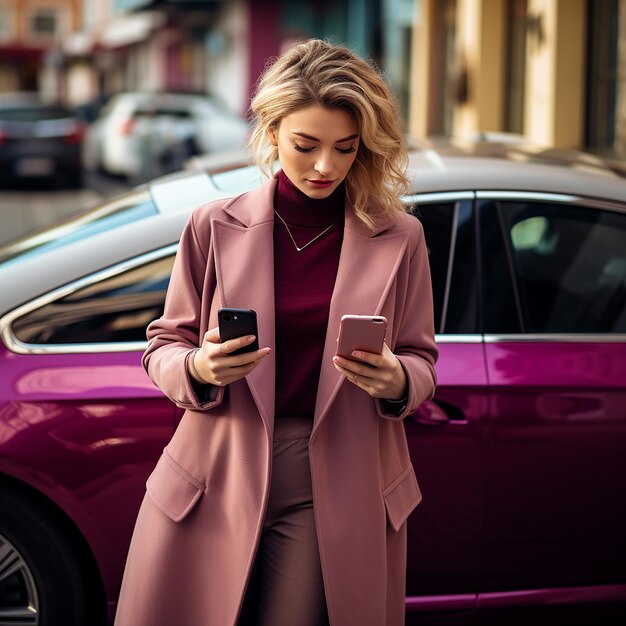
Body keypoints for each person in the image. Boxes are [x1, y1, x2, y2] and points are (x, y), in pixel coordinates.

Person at [114, 38, 438, 626]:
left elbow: (422, 360)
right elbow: (164, 345)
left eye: (345, 148)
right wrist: (198, 368)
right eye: (305, 145)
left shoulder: (400, 237)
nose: (325, 167)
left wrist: (397, 380)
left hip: (335, 475)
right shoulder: (213, 224)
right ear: (271, 131)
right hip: (218, 466)